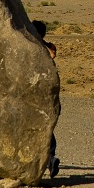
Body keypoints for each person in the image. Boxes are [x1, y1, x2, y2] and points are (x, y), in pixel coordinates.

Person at [32, 20, 59, 178]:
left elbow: (52, 54)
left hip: (44, 95)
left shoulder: (47, 47)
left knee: (46, 127)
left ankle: (50, 159)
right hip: (38, 94)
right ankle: (48, 160)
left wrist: (40, 41)